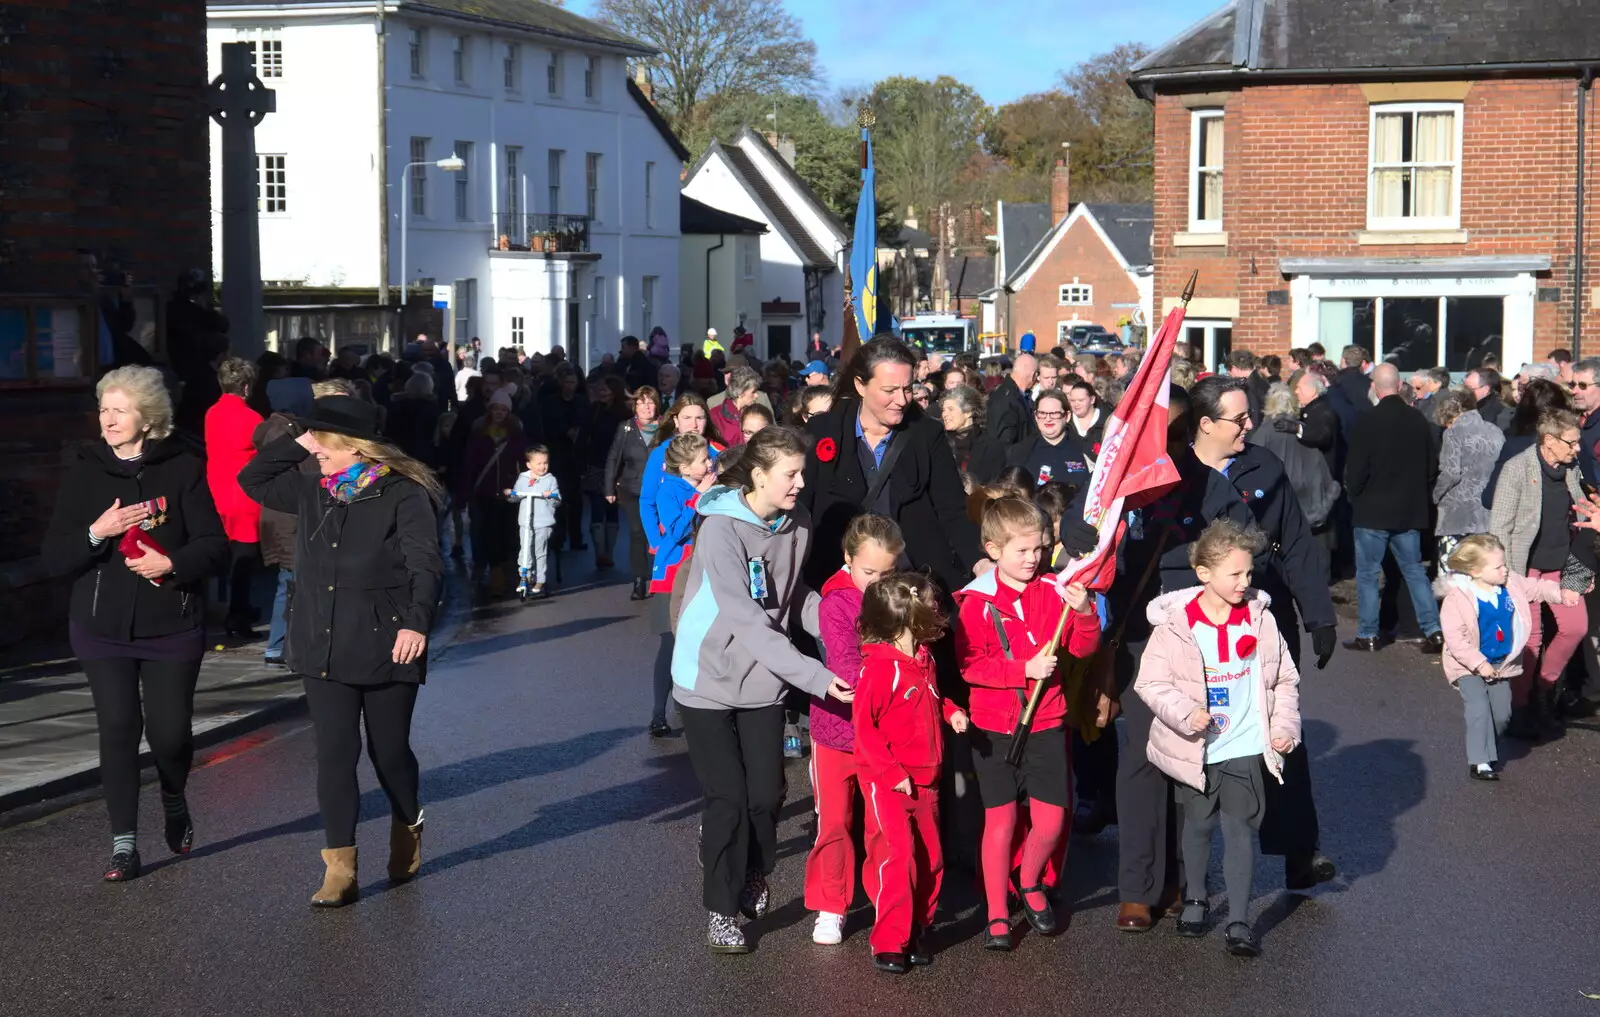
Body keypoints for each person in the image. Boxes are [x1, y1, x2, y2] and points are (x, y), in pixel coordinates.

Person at [1115, 377, 1337, 931]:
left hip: (1247, 619)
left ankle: (1295, 851)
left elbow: (1289, 543)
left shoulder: (1259, 468)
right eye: (1239, 417)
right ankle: (1164, 882)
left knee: (1272, 736)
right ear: (1205, 424)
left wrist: (1319, 614)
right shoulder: (1151, 472)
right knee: (1170, 749)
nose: (1250, 426)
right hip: (1173, 624)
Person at [239, 395, 443, 907]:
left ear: (353, 446)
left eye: (322, 443)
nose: (316, 454)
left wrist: (416, 625)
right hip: (321, 640)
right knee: (335, 754)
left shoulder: (403, 492)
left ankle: (407, 825)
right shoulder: (313, 488)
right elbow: (252, 480)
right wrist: (298, 439)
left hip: (386, 641)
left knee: (389, 753)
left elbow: (425, 565)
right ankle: (340, 868)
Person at [670, 427, 856, 954]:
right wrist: (819, 679)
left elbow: (792, 596)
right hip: (706, 678)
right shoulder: (720, 529)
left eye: (801, 472)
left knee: (767, 794)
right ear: (758, 476)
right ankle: (721, 910)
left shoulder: (796, 524)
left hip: (763, 680)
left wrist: (845, 628)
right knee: (727, 796)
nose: (801, 483)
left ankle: (752, 867)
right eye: (790, 474)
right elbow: (749, 618)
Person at [43, 366, 229, 881]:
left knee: (170, 737)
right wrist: (95, 533)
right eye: (103, 409)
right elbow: (54, 557)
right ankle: (123, 843)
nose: (108, 419)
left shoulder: (184, 468)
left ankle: (173, 793)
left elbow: (215, 546)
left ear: (148, 418)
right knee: (119, 728)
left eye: (120, 410)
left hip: (171, 624)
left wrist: (173, 565)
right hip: (100, 628)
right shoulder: (84, 471)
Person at [1134, 518, 1302, 958]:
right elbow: (1150, 683)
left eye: (1249, 574)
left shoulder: (1261, 620)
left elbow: (1284, 679)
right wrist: (1187, 713)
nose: (1245, 583)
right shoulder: (1176, 625)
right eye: (1236, 575)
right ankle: (1195, 897)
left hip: (1245, 745)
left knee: (1241, 830)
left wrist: (1284, 729)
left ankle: (1240, 920)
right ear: (1203, 574)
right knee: (1199, 824)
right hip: (1196, 747)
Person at [954, 496, 1100, 951]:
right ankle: (997, 912)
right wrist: (1022, 670)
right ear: (993, 549)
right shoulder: (974, 602)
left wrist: (1083, 613)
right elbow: (969, 667)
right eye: (1022, 551)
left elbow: (1082, 649)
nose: (1033, 559)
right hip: (994, 726)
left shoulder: (1055, 589)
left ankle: (1030, 879)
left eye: (1038, 549)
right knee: (998, 822)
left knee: (1052, 821)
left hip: (1046, 720)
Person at [801, 337, 984, 596]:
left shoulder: (926, 435)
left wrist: (979, 562)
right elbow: (801, 510)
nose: (901, 399)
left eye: (907, 388)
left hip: (912, 585)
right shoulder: (822, 432)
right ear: (860, 385)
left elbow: (952, 510)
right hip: (838, 585)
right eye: (889, 390)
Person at [853, 572, 965, 974]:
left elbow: (933, 700)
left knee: (932, 857)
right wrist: (889, 770)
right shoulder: (880, 670)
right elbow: (863, 728)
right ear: (907, 621)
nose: (937, 620)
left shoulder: (923, 660)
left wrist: (951, 712)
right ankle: (889, 939)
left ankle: (920, 925)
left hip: (928, 777)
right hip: (890, 782)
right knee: (897, 858)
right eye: (929, 614)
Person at [807, 514, 904, 945]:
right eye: (870, 573)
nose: (880, 582)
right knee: (834, 822)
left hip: (883, 732)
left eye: (888, 573)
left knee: (882, 824)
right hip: (836, 730)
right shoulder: (836, 603)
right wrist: (890, 681)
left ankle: (887, 896)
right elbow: (842, 662)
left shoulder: (900, 597)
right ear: (848, 560)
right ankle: (831, 904)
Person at [1488, 408, 1596, 740]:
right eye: (1572, 442)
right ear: (1548, 441)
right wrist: (1502, 575)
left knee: (1576, 627)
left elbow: (1582, 506)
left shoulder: (1571, 468)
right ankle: (1520, 709)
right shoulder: (1517, 469)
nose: (1577, 449)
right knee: (1530, 640)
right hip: (1525, 570)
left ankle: (1544, 691)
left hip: (1562, 566)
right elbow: (1499, 528)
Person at [1438, 534, 1576, 781]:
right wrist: (1479, 664)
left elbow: (1537, 587)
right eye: (1498, 566)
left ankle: (1485, 747)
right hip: (1467, 665)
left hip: (1502, 664)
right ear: (1476, 570)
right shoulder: (1457, 598)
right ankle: (1479, 761)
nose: (1505, 570)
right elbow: (1456, 640)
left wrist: (1564, 593)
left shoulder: (1510, 584)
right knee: (1478, 708)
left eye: (1504, 564)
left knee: (1502, 715)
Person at [1342, 364, 1443, 654]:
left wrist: (1355, 495)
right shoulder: (1418, 420)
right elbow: (1430, 468)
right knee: (1414, 571)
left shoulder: (1367, 420)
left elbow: (1356, 470)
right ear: (1399, 386)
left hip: (1372, 509)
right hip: (1407, 510)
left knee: (1368, 574)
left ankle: (1369, 634)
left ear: (1375, 387)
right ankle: (1433, 630)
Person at [645, 433, 716, 736]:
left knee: (698, 642)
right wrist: (700, 496)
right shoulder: (669, 489)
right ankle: (658, 713)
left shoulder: (709, 483)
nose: (710, 462)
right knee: (671, 643)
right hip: (671, 575)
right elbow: (675, 532)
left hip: (702, 572)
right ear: (686, 468)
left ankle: (690, 709)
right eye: (703, 460)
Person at [252, 378, 314, 668]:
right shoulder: (284, 431)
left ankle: (282, 645)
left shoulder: (286, 427)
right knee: (290, 583)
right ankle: (277, 646)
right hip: (288, 518)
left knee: (290, 582)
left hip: (285, 516)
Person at [204, 357, 266, 639]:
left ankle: (224, 608)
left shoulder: (211, 413)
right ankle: (237, 616)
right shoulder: (253, 419)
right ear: (245, 385)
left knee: (222, 555)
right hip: (244, 496)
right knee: (244, 561)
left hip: (216, 488)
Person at [638, 395, 720, 600]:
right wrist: (656, 542)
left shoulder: (715, 454)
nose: (694, 424)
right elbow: (647, 501)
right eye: (687, 418)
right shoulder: (661, 454)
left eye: (700, 418)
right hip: (675, 544)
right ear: (675, 420)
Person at [460, 389, 528, 596]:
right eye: (496, 408)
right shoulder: (480, 434)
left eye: (503, 409)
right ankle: (497, 578)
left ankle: (509, 575)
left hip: (509, 494)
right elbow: (469, 465)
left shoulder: (516, 435)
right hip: (485, 493)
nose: (499, 413)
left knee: (509, 535)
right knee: (490, 536)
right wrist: (465, 494)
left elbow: (524, 464)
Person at [1248, 383, 1339, 534]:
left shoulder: (1263, 433)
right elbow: (1319, 469)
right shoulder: (1304, 430)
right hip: (1306, 504)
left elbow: (1251, 467)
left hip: (1274, 501)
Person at [1433, 389, 1505, 561]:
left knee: (1452, 566)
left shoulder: (1453, 433)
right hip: (1488, 509)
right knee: (1481, 566)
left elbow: (1451, 473)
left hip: (1458, 512)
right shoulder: (1495, 431)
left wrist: (1435, 495)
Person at [604, 386, 662, 594]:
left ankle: (660, 576)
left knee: (659, 532)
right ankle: (639, 580)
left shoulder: (666, 428)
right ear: (634, 406)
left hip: (661, 489)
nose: (646, 407)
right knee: (638, 533)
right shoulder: (626, 427)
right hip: (632, 488)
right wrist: (609, 487)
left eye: (651, 402)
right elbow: (614, 457)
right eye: (641, 403)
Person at [584, 376, 631, 569]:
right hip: (596, 466)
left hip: (618, 468)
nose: (602, 392)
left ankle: (609, 552)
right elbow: (585, 437)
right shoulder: (594, 410)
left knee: (612, 509)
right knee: (596, 508)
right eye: (600, 389)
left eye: (606, 389)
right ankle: (599, 553)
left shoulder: (624, 414)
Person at [1003, 390, 1091, 492]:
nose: (1048, 419)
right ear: (1036, 416)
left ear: (1067, 416)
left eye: (1054, 413)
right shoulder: (1020, 452)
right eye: (1042, 413)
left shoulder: (1084, 450)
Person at [510, 445, 560, 599]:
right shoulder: (523, 478)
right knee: (525, 551)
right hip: (526, 522)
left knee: (540, 552)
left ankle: (540, 580)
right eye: (538, 463)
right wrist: (510, 494)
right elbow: (515, 496)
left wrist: (550, 496)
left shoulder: (550, 480)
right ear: (529, 464)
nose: (542, 466)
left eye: (545, 463)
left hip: (542, 523)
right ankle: (525, 576)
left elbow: (557, 500)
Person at [938, 385, 1005, 484]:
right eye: (943, 410)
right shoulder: (940, 443)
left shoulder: (991, 446)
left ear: (968, 412)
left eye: (950, 409)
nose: (944, 414)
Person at [985, 353, 1036, 447]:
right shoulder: (1008, 399)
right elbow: (1004, 442)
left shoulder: (1015, 396)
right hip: (1012, 459)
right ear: (1033, 375)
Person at [709, 367, 761, 447]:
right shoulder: (715, 415)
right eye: (753, 392)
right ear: (740, 393)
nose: (757, 395)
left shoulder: (757, 413)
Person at [1065, 379, 1106, 454]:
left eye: (1081, 400)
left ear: (1092, 400)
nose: (1076, 404)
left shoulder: (1107, 421)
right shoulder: (1065, 422)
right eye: (1073, 401)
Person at [1466, 367, 1512, 432]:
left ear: (1486, 389)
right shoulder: (1466, 406)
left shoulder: (1499, 412)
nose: (1465, 392)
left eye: (1470, 389)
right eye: (1464, 388)